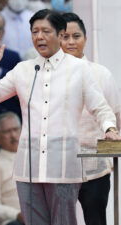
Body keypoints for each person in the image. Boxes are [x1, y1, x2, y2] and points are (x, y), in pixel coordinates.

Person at [0, 9, 121, 225]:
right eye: (35, 31)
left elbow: (100, 107)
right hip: (28, 168)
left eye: (46, 31)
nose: (39, 36)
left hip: (63, 166)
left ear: (60, 34)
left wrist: (110, 128)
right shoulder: (23, 69)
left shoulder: (79, 68)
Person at [61, 12, 121, 225]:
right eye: (64, 36)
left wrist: (110, 148)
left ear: (85, 39)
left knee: (96, 221)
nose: (70, 42)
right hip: (60, 167)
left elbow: (114, 118)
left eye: (76, 36)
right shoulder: (49, 76)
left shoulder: (101, 74)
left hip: (96, 168)